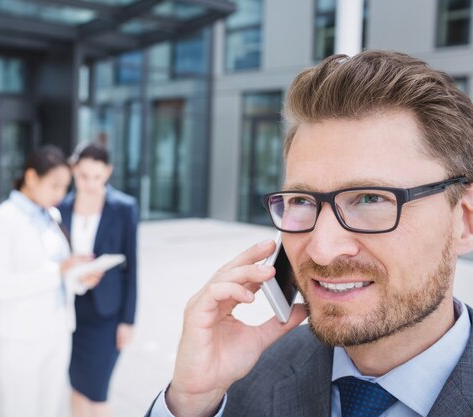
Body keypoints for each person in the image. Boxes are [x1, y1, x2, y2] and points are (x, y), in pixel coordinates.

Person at [147, 50, 473, 417]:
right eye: (302, 200)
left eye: (370, 198)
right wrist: (192, 403)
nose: (322, 249)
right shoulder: (244, 375)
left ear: (464, 220)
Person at [0, 145, 101, 417]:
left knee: (49, 408)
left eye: (64, 187)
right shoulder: (0, 220)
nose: (60, 194)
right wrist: (58, 270)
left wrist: (82, 279)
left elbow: (62, 275)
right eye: (54, 185)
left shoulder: (52, 216)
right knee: (22, 409)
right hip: (21, 336)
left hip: (58, 330)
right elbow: (0, 287)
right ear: (32, 177)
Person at [58, 142, 139, 417]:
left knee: (97, 392)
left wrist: (128, 320)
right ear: (73, 171)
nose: (89, 183)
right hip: (69, 311)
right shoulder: (61, 208)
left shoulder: (124, 207)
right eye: (82, 176)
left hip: (107, 313)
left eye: (96, 176)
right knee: (76, 387)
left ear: (108, 172)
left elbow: (133, 266)